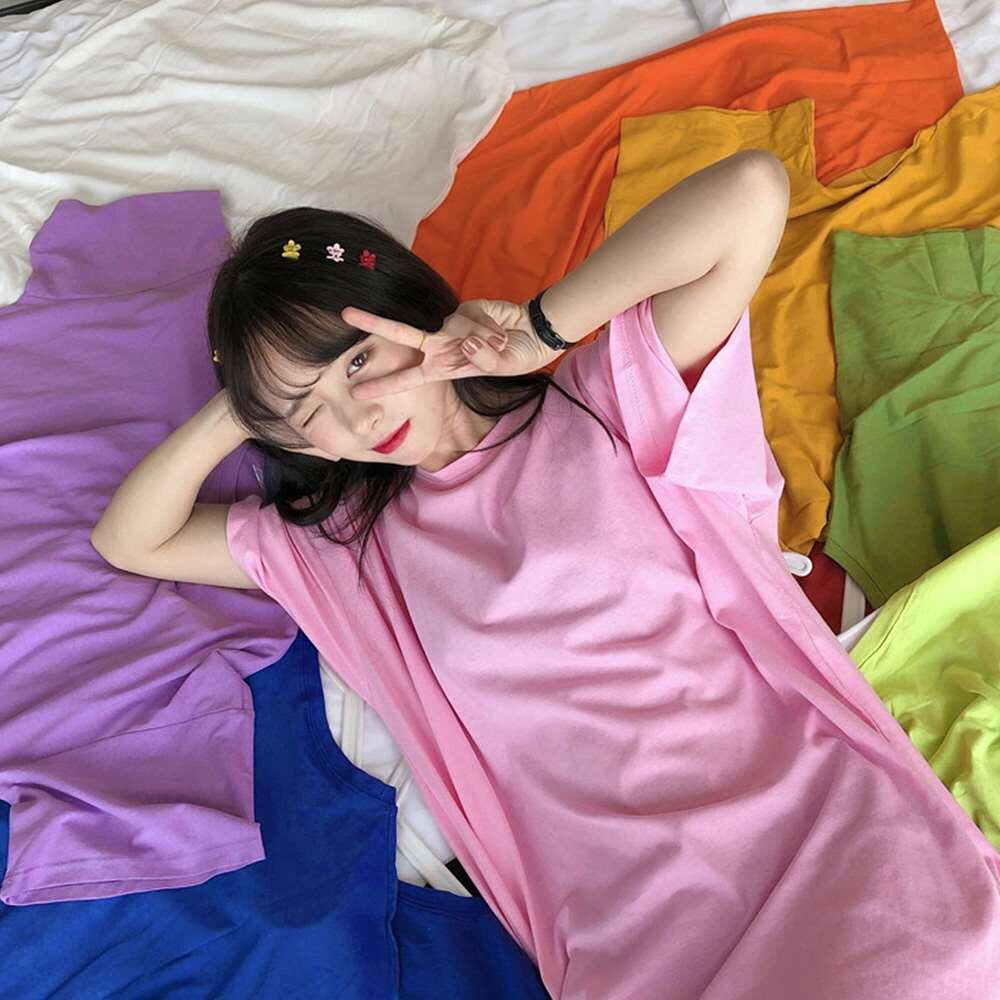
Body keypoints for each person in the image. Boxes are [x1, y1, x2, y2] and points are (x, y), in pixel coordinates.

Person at [91, 150, 1000, 1000]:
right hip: (631, 921)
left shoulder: (605, 402)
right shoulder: (347, 551)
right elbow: (131, 540)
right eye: (311, 412)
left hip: (815, 823)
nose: (360, 416)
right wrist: (249, 403)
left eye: (360, 360)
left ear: (410, 309)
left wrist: (538, 327)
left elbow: (753, 191)